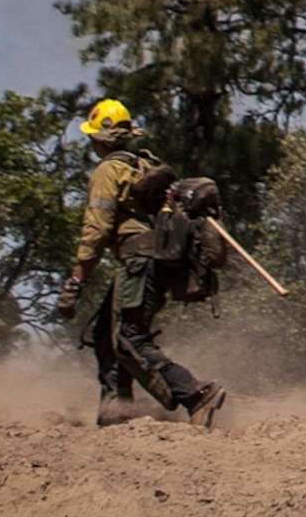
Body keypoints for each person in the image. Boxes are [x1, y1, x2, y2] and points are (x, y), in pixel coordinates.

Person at [54, 98, 224, 428]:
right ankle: (116, 411)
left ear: (100, 139)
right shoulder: (144, 166)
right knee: (106, 333)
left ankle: (195, 394)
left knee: (129, 338)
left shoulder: (108, 171)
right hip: (155, 262)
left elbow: (97, 230)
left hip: (137, 261)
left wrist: (75, 282)